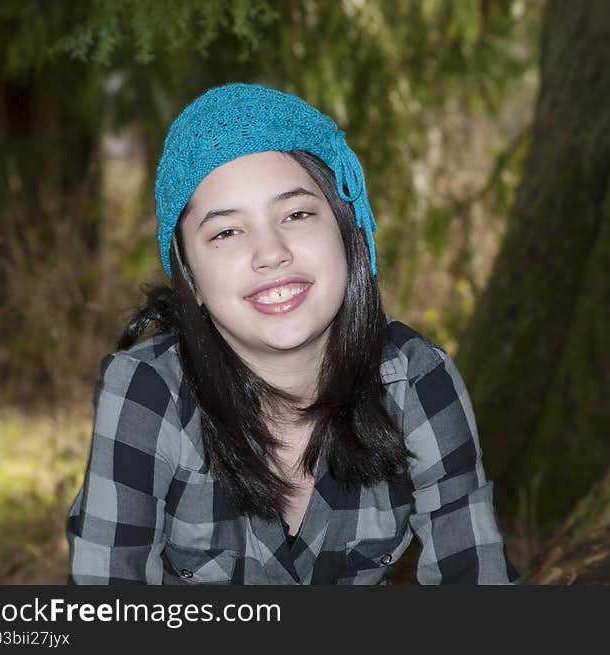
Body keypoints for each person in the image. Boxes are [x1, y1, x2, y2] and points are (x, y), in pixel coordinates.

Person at [66, 82, 521, 585]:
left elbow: (477, 576)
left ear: (349, 232)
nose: (270, 252)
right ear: (189, 277)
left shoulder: (415, 379)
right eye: (226, 232)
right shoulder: (148, 393)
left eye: (297, 213)